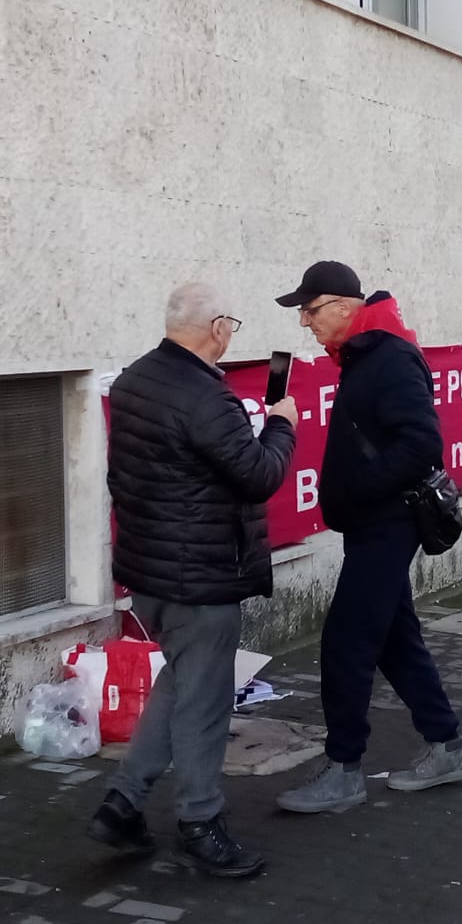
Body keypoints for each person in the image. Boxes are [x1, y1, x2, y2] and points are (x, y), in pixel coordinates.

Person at [90, 283, 297, 878]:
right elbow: (258, 476)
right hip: (200, 579)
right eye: (231, 323)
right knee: (203, 706)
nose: (231, 335)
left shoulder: (134, 381)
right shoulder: (206, 397)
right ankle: (200, 822)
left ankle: (123, 803)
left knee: (179, 684)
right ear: (217, 329)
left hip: (150, 574)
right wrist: (282, 425)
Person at [271, 261, 462, 813]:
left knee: (345, 643)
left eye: (310, 312)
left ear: (342, 306)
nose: (306, 324)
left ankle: (343, 770)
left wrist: (358, 488)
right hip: (372, 524)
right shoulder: (366, 355)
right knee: (393, 638)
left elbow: (422, 445)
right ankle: (447, 745)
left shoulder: (388, 357)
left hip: (387, 523)